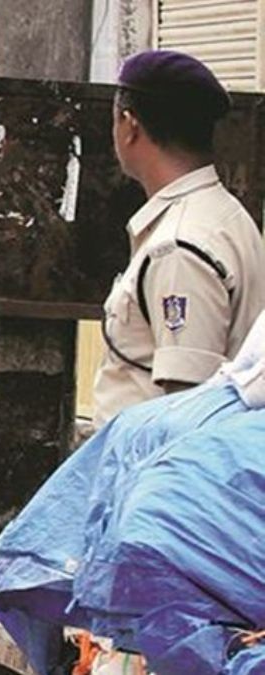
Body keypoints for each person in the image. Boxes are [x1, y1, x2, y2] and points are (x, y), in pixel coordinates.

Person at [92, 49, 265, 426]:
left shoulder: (178, 246)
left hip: (152, 461)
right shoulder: (226, 215)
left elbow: (186, 411)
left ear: (129, 125)